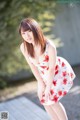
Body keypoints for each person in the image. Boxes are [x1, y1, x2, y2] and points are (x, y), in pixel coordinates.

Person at [19, 17, 76, 120]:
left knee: (52, 100)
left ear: (36, 30)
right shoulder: (24, 47)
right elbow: (32, 66)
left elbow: (51, 69)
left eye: (29, 31)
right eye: (23, 33)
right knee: (43, 99)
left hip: (58, 72)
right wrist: (40, 83)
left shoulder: (49, 46)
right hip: (44, 74)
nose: (26, 36)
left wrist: (48, 87)